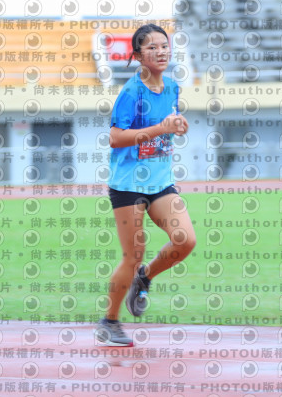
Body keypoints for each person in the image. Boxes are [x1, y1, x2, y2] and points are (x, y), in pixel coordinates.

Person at [95, 24, 196, 346]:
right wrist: (159, 129)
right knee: (133, 255)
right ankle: (109, 322)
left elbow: (168, 123)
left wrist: (177, 125)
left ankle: (145, 278)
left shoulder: (172, 87)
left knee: (185, 240)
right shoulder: (131, 92)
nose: (161, 52)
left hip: (160, 181)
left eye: (164, 45)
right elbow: (115, 138)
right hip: (128, 185)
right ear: (138, 56)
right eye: (152, 47)